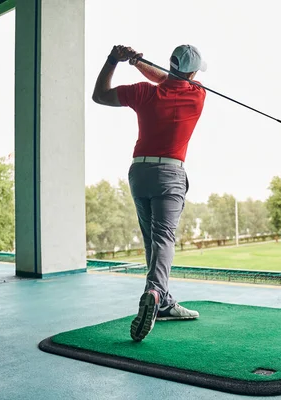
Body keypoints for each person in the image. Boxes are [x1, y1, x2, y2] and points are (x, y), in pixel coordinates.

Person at [92, 44, 207, 341]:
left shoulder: (144, 92)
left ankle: (165, 302)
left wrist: (116, 61)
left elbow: (100, 95)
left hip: (139, 172)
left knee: (151, 242)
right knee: (164, 239)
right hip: (170, 173)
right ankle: (154, 293)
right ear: (193, 73)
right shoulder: (197, 95)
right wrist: (139, 63)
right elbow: (171, 79)